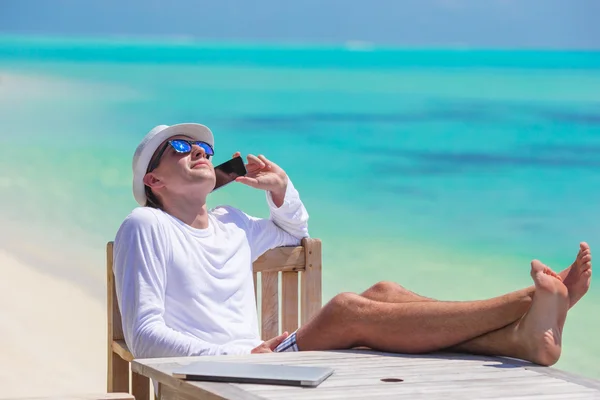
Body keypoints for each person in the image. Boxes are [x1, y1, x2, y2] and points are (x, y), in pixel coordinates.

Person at [113, 123, 592, 368]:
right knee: (345, 310)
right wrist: (239, 358)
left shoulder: (231, 223)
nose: (198, 151)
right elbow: (144, 334)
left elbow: (291, 233)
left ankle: (522, 337)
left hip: (262, 363)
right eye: (180, 148)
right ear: (153, 180)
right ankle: (529, 302)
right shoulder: (146, 226)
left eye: (204, 150)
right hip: (234, 369)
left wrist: (281, 189)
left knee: (384, 291)